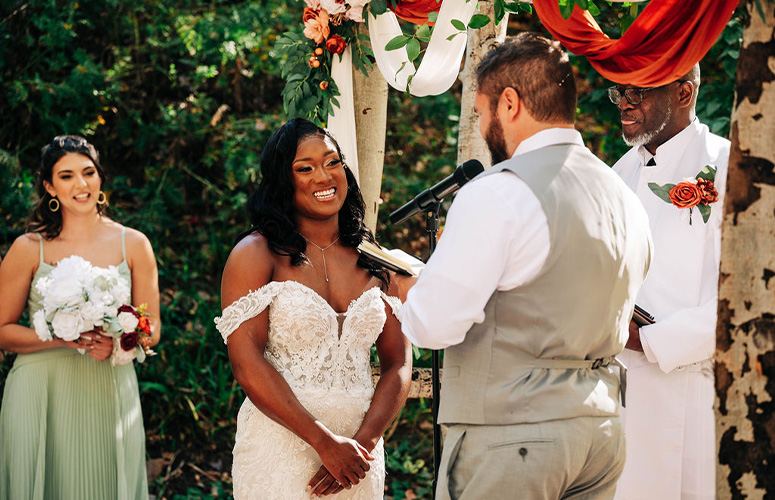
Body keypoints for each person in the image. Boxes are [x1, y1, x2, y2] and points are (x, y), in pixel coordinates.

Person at [396, 33, 653, 500]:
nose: (483, 125)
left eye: (481, 112)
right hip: (601, 432)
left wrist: (407, 289)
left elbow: (433, 327)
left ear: (509, 103)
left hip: (514, 438)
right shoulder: (623, 196)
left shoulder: (499, 192)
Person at [214, 118, 412, 499]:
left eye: (332, 162)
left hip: (359, 458)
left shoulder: (375, 259)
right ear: (282, 182)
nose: (323, 176)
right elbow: (246, 362)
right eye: (304, 168)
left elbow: (398, 363)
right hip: (281, 449)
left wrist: (363, 445)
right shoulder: (256, 254)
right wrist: (324, 443)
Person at [0, 135, 161, 500]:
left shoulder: (134, 244)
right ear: (49, 186)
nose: (81, 184)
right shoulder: (28, 248)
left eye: (88, 172)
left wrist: (122, 339)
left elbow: (153, 330)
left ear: (100, 178)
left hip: (109, 385)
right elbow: (2, 330)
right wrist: (64, 339)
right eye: (67, 175)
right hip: (40, 389)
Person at [609, 64, 729, 500]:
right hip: (617, 397)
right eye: (619, 92)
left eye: (637, 93)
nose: (624, 102)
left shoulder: (728, 166)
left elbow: (747, 298)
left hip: (697, 395)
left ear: (683, 93)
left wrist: (653, 339)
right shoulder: (615, 175)